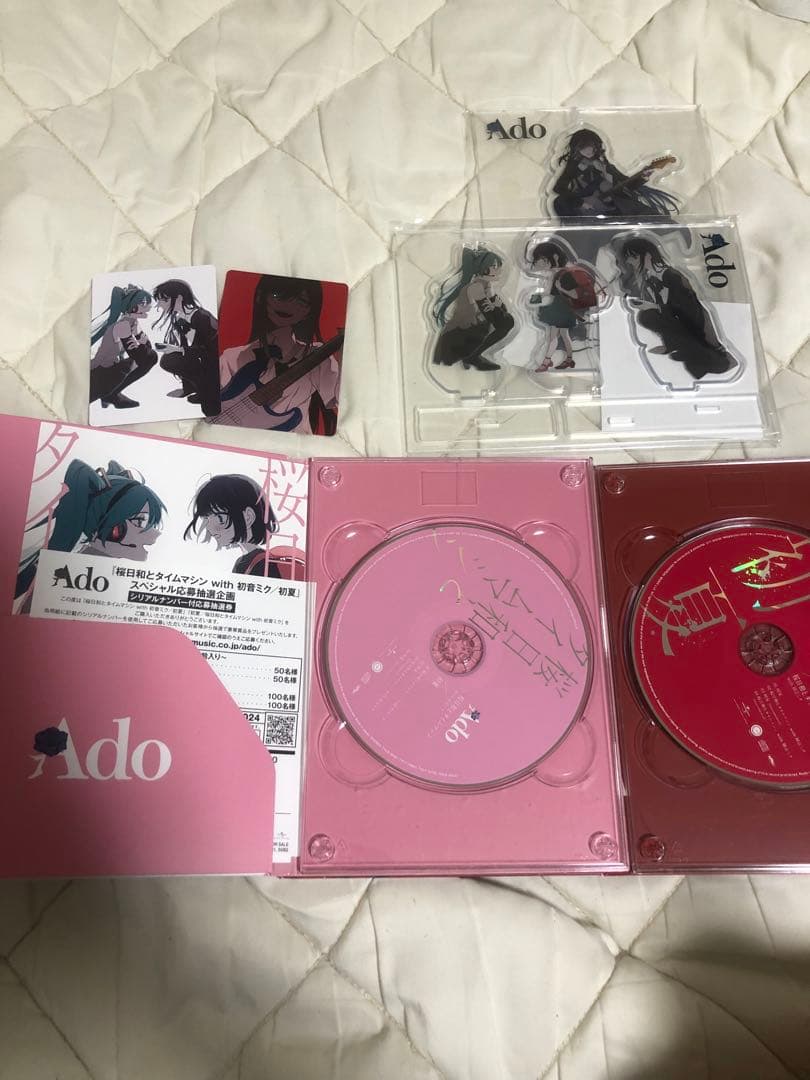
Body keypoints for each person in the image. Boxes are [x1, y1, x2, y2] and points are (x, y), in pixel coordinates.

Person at [15, 459, 165, 608]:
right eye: (139, 521)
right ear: (114, 529)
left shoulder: (97, 568)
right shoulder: (65, 572)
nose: (155, 534)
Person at [218, 276, 339, 434]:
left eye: (301, 302)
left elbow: (342, 401)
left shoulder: (319, 358)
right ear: (261, 297)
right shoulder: (232, 358)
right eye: (278, 295)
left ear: (309, 312)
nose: (288, 306)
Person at [616, 236, 736, 381]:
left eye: (634, 257)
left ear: (647, 256)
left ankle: (701, 354)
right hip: (678, 319)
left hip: (691, 321)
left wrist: (655, 306)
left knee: (649, 316)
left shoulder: (670, 276)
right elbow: (666, 305)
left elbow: (683, 308)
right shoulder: (649, 277)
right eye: (628, 259)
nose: (630, 262)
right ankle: (677, 346)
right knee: (646, 316)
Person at [184, 474, 302, 579]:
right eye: (206, 519)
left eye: (220, 518)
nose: (210, 528)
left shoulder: (262, 565)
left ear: (248, 517)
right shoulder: (243, 562)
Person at [552, 129, 679, 222]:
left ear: (597, 147)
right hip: (590, 211)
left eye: (591, 147)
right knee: (560, 202)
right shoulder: (573, 168)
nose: (589, 151)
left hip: (615, 206)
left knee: (654, 217)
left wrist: (642, 177)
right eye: (584, 147)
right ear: (577, 149)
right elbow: (559, 188)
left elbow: (626, 184)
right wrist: (580, 202)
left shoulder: (606, 166)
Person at [431, 247, 515, 372]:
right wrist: (496, 305)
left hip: (474, 330)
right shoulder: (476, 287)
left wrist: (495, 302)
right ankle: (472, 356)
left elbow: (501, 312)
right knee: (507, 322)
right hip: (461, 334)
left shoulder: (486, 286)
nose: (499, 270)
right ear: (484, 268)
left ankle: (473, 356)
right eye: (494, 267)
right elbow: (493, 316)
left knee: (507, 321)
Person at [526, 239, 599, 371]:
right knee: (563, 336)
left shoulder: (566, 274)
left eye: (544, 260)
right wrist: (536, 298)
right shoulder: (556, 274)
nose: (541, 264)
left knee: (554, 337)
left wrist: (561, 289)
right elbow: (548, 292)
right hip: (559, 307)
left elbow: (575, 294)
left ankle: (546, 362)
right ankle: (568, 360)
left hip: (563, 309)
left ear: (555, 257)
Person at [152, 279, 220, 417]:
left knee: (210, 412)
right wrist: (186, 388)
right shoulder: (179, 317)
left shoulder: (202, 317)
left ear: (179, 298)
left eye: (164, 300)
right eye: (159, 300)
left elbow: (211, 351)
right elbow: (187, 347)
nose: (159, 305)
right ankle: (195, 388)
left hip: (217, 363)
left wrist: (177, 349)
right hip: (202, 358)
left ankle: (207, 391)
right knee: (168, 360)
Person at [89, 284, 158, 409]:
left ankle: (111, 394)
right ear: (133, 306)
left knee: (151, 356)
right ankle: (108, 393)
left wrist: (142, 343)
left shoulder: (133, 322)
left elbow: (147, 347)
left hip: (110, 368)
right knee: (148, 357)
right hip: (100, 372)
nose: (148, 307)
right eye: (143, 304)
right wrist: (141, 343)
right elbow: (138, 355)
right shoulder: (123, 325)